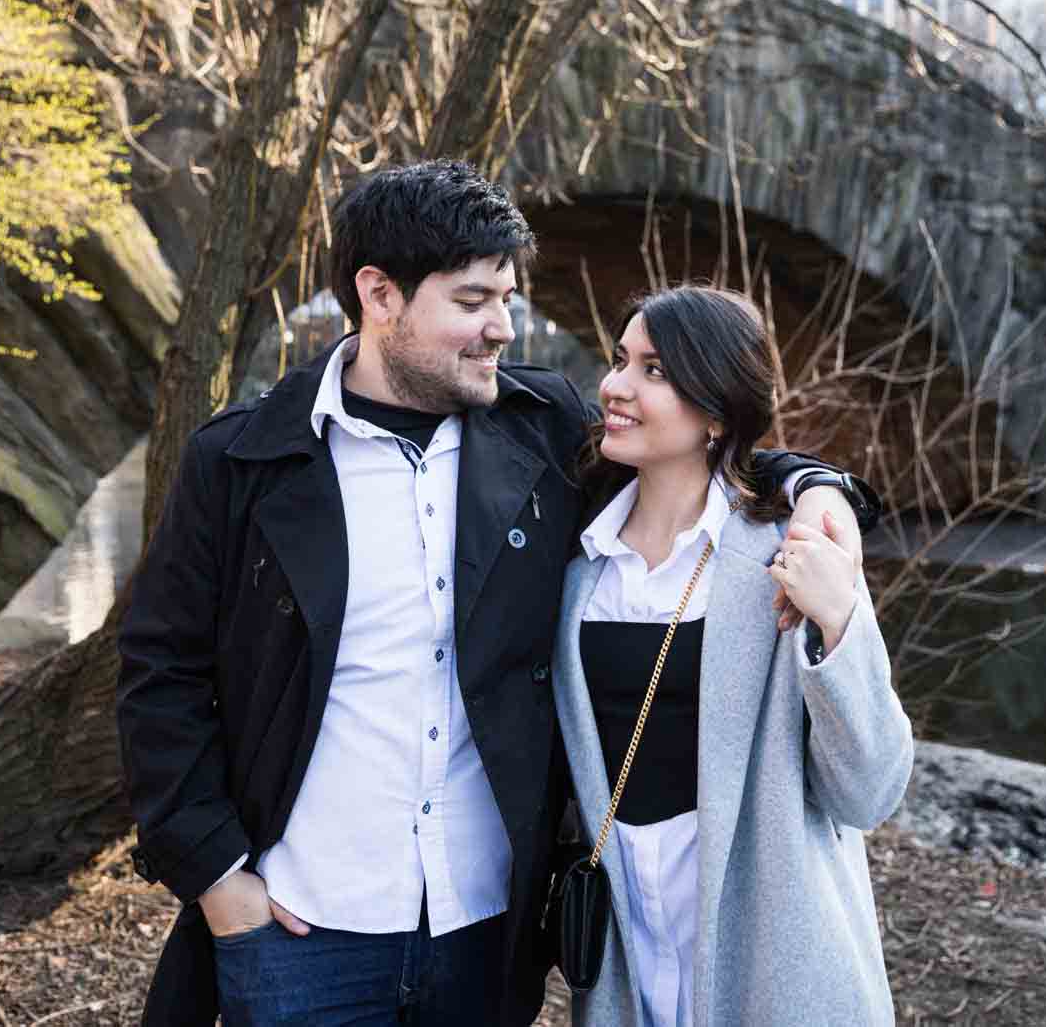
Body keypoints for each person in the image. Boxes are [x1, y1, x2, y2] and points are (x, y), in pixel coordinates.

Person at [115, 162, 874, 1026]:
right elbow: (159, 675)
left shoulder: (541, 431)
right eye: (473, 301)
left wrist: (818, 485)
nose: (503, 328)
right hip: (301, 929)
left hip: (482, 935)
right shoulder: (242, 460)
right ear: (380, 295)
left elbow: (693, 439)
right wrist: (219, 879)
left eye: (507, 298)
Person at [554, 285, 914, 1027]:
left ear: (716, 411)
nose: (616, 385)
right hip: (629, 945)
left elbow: (870, 791)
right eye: (621, 359)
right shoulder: (577, 559)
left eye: (654, 371)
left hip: (776, 956)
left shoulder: (790, 555)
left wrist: (840, 618)